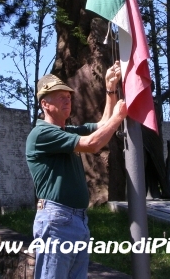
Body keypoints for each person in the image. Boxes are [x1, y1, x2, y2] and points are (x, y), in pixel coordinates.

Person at [25, 62, 128, 279]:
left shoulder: (66, 131)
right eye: (60, 96)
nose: (67, 99)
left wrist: (110, 88)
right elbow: (92, 143)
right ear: (45, 103)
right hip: (57, 220)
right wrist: (119, 117)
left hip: (76, 220)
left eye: (69, 96)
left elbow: (102, 124)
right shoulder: (42, 134)